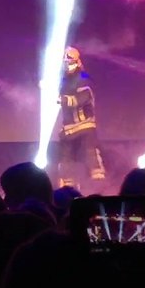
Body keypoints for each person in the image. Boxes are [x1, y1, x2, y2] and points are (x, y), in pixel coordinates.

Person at [55, 46, 105, 189]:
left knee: (92, 157)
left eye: (69, 59)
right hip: (68, 129)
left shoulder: (83, 78)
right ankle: (67, 190)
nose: (66, 63)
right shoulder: (64, 81)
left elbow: (82, 98)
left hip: (85, 126)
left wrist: (62, 99)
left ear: (76, 61)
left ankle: (99, 188)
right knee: (66, 162)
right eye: (64, 60)